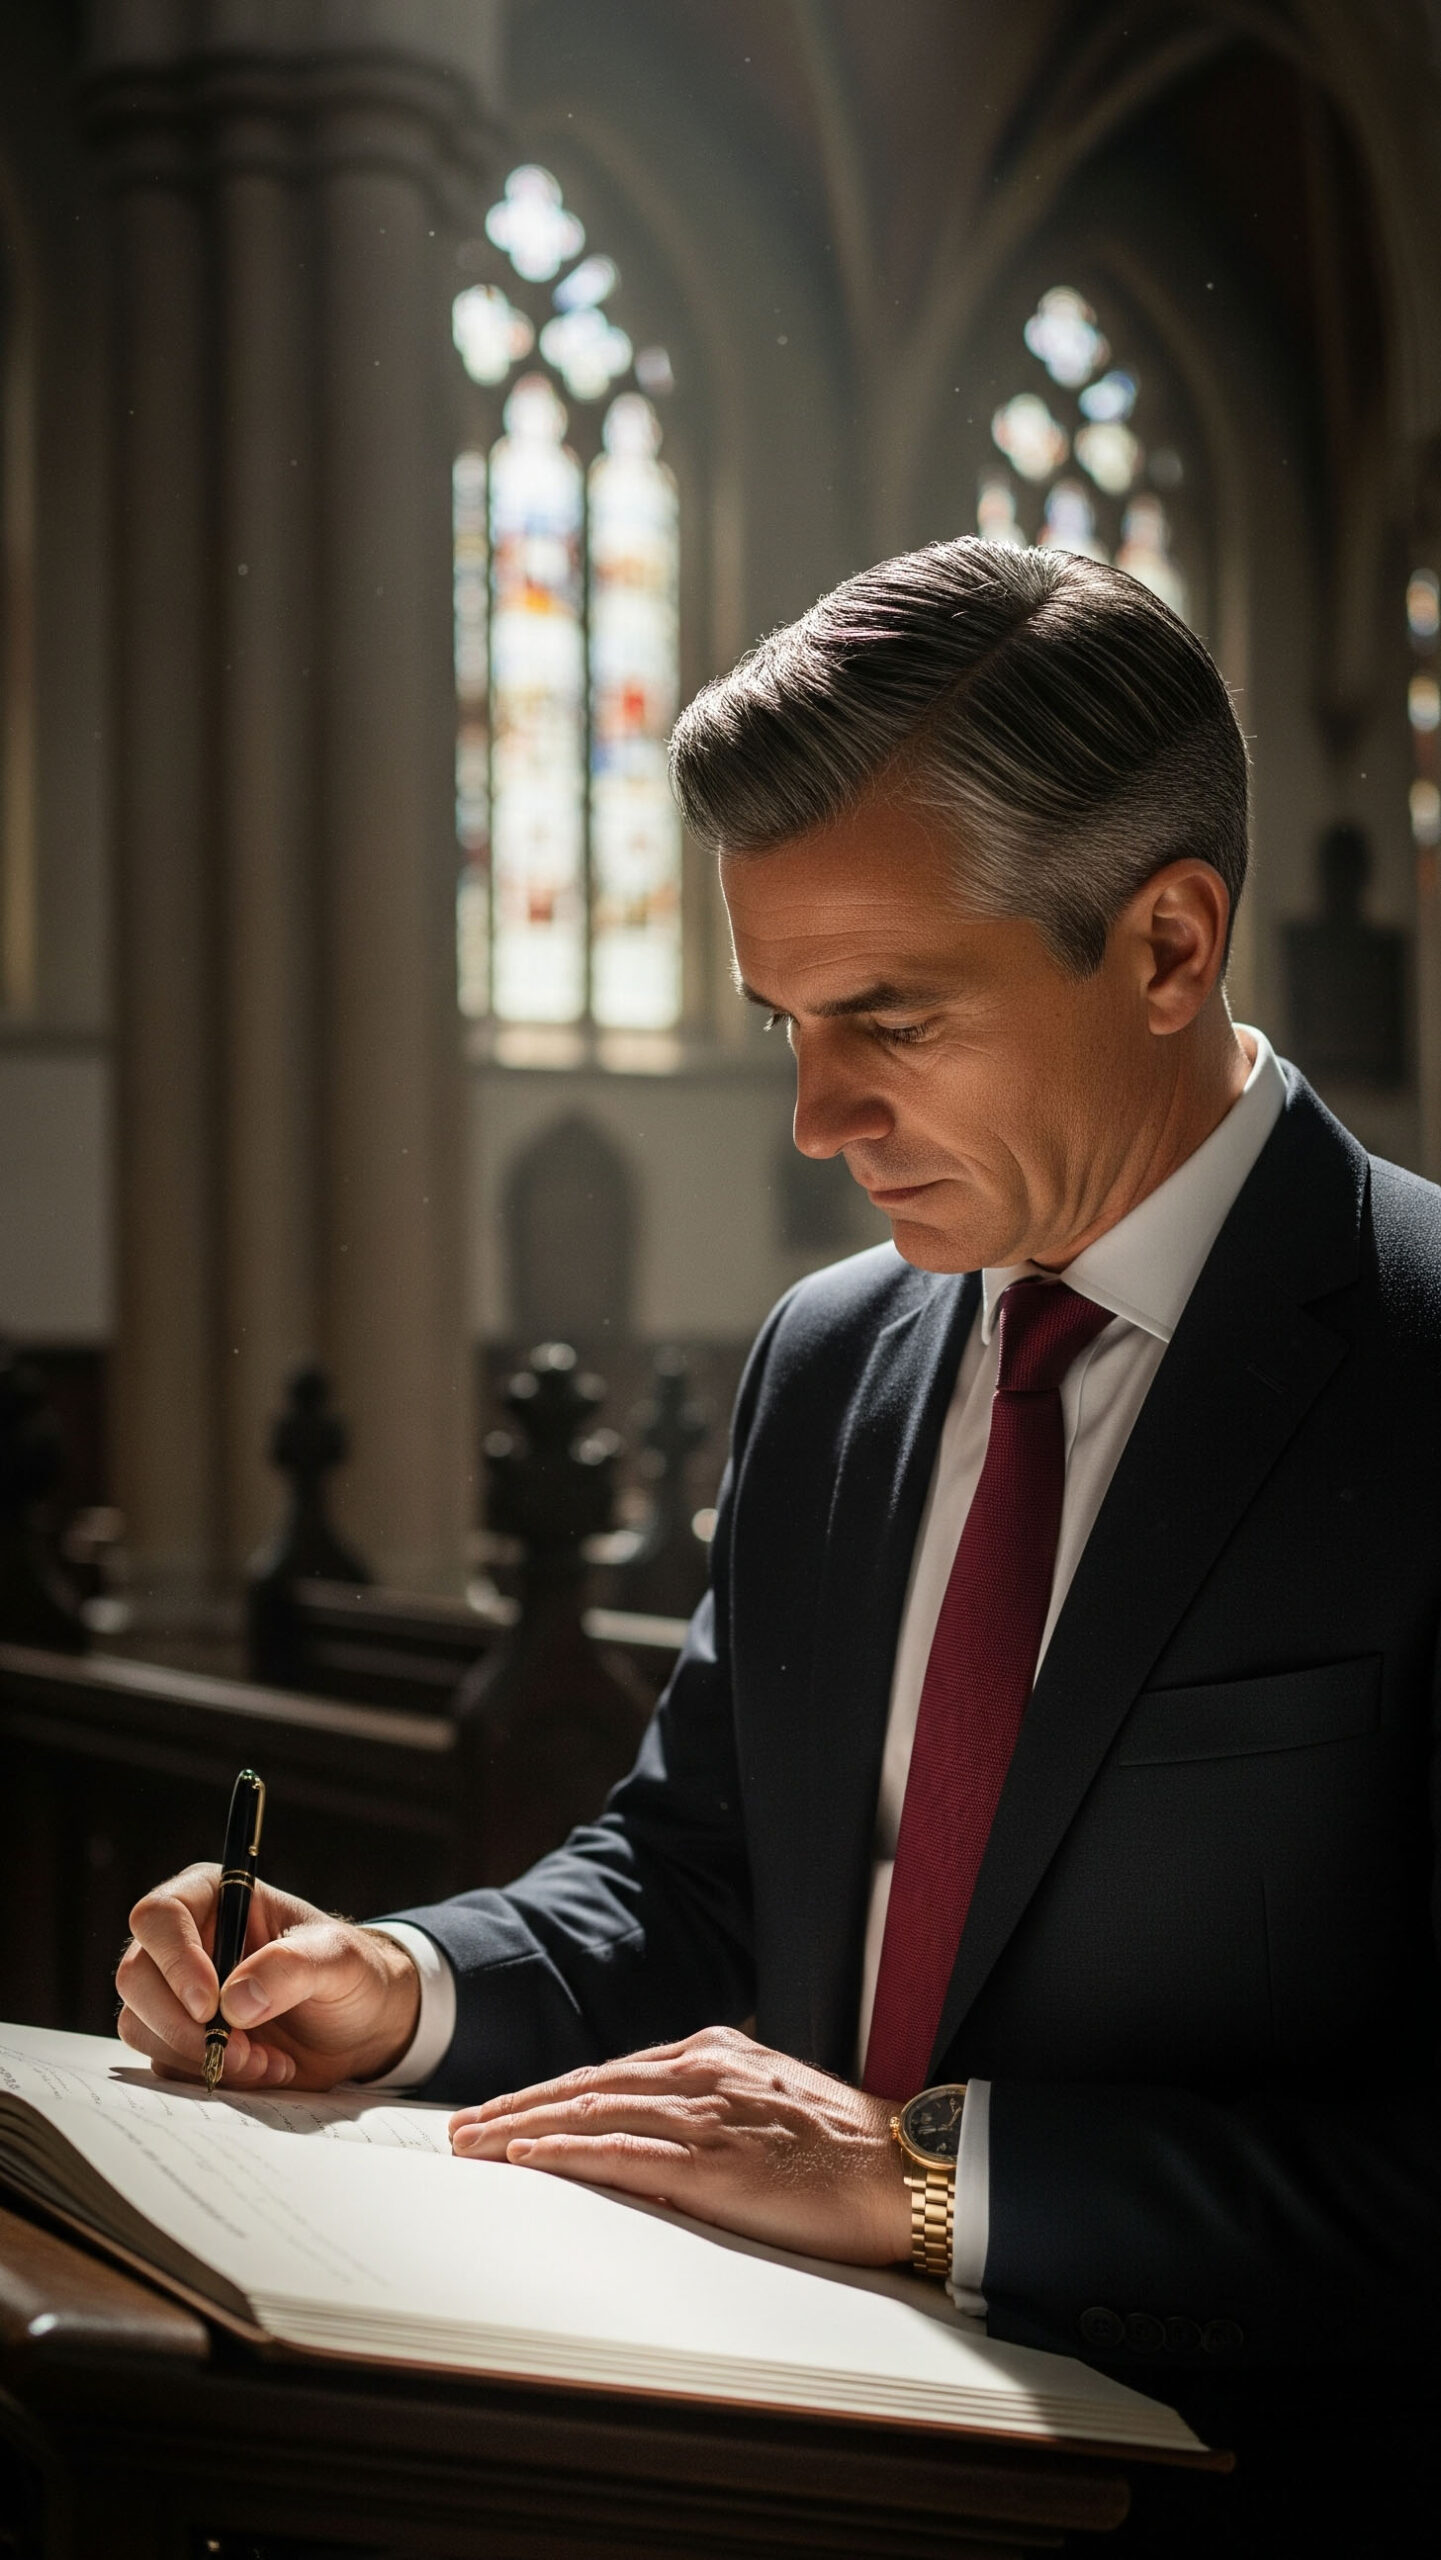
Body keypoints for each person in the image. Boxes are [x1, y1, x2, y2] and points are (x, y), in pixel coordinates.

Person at [118, 542, 1440, 2555]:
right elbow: (697, 1867)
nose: (817, 1116)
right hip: (763, 2449)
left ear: (1168, 945)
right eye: (785, 1019)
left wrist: (935, 2178)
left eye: (887, 1017)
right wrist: (400, 1976)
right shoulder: (831, 1357)